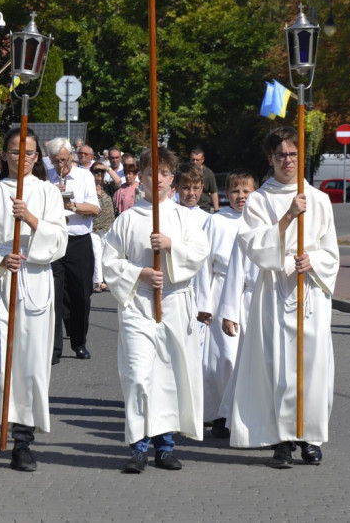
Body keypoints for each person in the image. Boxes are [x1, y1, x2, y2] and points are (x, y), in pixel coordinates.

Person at [221, 125, 339, 469]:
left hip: (309, 293)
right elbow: (253, 246)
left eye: (292, 153)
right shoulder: (259, 200)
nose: (287, 160)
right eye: (280, 155)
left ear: (301, 156)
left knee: (311, 367)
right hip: (273, 291)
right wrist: (288, 216)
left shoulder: (319, 199)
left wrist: (312, 260)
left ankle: (310, 437)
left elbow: (331, 251)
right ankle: (282, 440)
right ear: (270, 159)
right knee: (278, 367)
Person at [0, 126, 68, 472]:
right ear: (3, 155)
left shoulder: (48, 193)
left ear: (37, 157)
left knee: (31, 364)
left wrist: (31, 219)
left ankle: (23, 441)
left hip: (35, 281)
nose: (21, 159)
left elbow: (60, 240)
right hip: (0, 284)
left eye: (29, 153)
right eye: (14, 151)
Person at [104, 147, 211, 474]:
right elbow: (110, 262)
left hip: (174, 303)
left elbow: (198, 253)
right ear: (141, 177)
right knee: (138, 374)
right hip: (138, 303)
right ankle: (138, 445)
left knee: (168, 375)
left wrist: (170, 246)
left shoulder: (184, 217)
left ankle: (165, 446)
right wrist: (140, 273)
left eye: (164, 174)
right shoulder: (127, 219)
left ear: (172, 178)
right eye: (151, 174)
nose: (158, 180)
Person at [195, 169, 257, 439]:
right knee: (224, 359)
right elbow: (202, 265)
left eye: (246, 191)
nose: (240, 197)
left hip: (254, 296)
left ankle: (241, 413)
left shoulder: (261, 222)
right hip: (221, 292)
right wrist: (203, 303)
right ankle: (219, 413)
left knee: (249, 358)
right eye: (235, 191)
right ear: (225, 194)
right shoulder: (216, 222)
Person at [46, 137, 100, 363]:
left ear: (71, 156)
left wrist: (72, 205)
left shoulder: (84, 176)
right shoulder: (45, 178)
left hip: (78, 241)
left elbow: (95, 209)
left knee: (81, 295)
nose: (61, 166)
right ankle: (54, 349)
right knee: (54, 296)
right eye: (56, 161)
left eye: (64, 160)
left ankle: (79, 342)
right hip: (55, 240)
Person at [90, 163, 116, 293]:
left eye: (101, 172)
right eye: (96, 172)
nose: (99, 175)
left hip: (108, 226)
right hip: (94, 227)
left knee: (107, 254)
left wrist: (107, 168)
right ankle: (98, 281)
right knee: (96, 254)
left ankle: (108, 279)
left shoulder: (108, 187)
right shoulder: (88, 188)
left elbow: (118, 181)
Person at [190, 147, 219, 213]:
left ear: (202, 159)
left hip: (204, 208)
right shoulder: (185, 172)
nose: (194, 162)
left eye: (197, 160)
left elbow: (214, 192)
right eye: (192, 160)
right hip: (188, 208)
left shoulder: (208, 173)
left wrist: (216, 210)